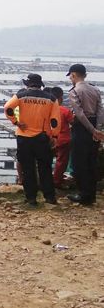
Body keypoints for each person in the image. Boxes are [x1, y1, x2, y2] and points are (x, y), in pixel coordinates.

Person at [4, 74, 60, 205]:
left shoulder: (21, 95)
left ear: (27, 84)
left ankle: (31, 198)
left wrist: (16, 122)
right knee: (45, 168)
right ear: (40, 85)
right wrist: (55, 136)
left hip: (24, 137)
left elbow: (8, 108)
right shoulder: (51, 98)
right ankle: (49, 197)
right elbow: (55, 120)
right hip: (42, 137)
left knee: (27, 168)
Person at [66, 64, 104, 205]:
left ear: (74, 75)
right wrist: (98, 129)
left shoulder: (74, 92)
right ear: (85, 75)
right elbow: (101, 110)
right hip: (95, 126)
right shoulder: (95, 89)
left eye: (70, 76)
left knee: (79, 162)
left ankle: (83, 194)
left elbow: (80, 114)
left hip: (83, 128)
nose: (70, 78)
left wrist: (92, 130)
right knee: (91, 161)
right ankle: (91, 195)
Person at [48, 87, 74, 189]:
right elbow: (73, 122)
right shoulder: (65, 111)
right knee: (61, 162)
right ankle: (56, 181)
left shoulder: (47, 110)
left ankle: (47, 179)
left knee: (47, 161)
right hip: (63, 139)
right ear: (61, 98)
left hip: (49, 139)